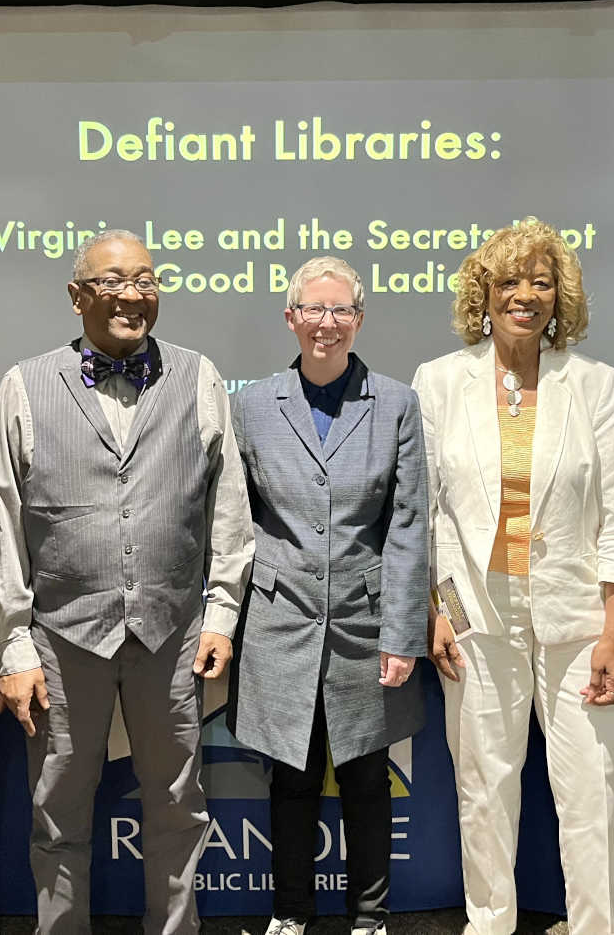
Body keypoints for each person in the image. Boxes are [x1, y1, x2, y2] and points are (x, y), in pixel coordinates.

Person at [0, 228, 254, 934]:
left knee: (177, 804)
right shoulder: (24, 383)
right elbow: (5, 525)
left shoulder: (199, 376)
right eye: (111, 281)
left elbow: (229, 510)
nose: (131, 294)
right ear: (77, 296)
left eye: (145, 279)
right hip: (62, 637)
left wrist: (222, 613)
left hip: (172, 632)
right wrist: (13, 647)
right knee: (57, 807)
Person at [410, 217, 614, 935]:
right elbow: (424, 517)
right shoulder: (440, 380)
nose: (525, 295)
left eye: (541, 282)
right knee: (483, 783)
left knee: (594, 784)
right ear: (483, 293)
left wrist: (612, 632)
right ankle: (490, 921)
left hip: (579, 616)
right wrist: (436, 610)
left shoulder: (595, 384)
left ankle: (593, 925)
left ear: (559, 296)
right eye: (509, 281)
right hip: (476, 611)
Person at [227, 257, 429, 935]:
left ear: (359, 319)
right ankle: (290, 912)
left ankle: (369, 915)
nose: (326, 323)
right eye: (313, 309)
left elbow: (406, 524)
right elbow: (237, 517)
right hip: (278, 621)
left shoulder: (396, 402)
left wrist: (402, 633)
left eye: (340, 310)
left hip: (365, 623)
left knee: (368, 775)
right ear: (291, 317)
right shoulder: (252, 404)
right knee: (291, 775)